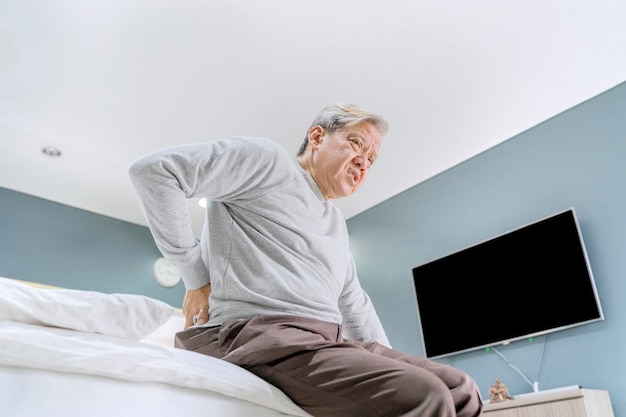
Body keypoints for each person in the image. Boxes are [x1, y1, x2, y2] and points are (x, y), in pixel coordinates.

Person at [128, 103, 483, 417]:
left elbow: (353, 303)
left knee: (461, 389)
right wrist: (196, 278)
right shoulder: (268, 162)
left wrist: (383, 360)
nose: (364, 161)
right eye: (356, 143)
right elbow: (155, 172)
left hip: (326, 340)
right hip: (260, 333)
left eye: (371, 159)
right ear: (317, 136)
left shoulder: (336, 224)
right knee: (423, 394)